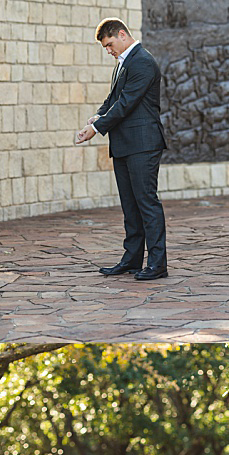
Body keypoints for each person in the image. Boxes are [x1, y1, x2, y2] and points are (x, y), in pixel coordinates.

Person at [76, 18, 169, 279]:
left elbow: (126, 103)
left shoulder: (142, 61)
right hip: (124, 145)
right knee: (130, 206)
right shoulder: (123, 63)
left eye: (109, 45)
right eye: (105, 47)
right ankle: (132, 260)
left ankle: (158, 265)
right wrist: (97, 117)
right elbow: (113, 99)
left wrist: (96, 128)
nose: (108, 50)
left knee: (146, 203)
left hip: (143, 144)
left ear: (122, 35)